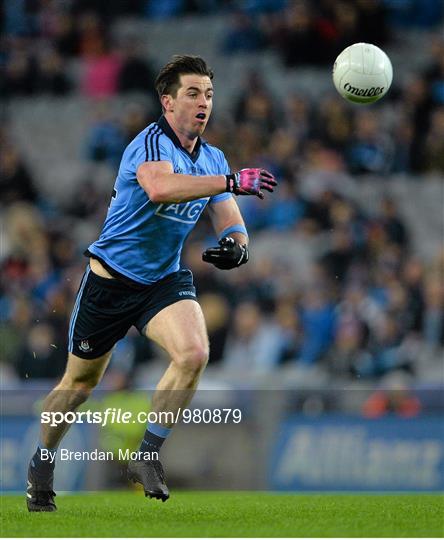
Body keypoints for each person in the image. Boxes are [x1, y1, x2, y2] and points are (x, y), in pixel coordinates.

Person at [26, 54, 276, 511]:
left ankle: (147, 455)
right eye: (193, 93)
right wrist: (230, 180)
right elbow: (162, 188)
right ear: (168, 102)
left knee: (195, 352)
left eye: (209, 94)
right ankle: (42, 460)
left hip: (162, 280)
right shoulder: (149, 144)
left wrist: (237, 244)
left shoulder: (214, 157)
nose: (204, 103)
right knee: (79, 385)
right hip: (110, 282)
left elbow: (228, 215)